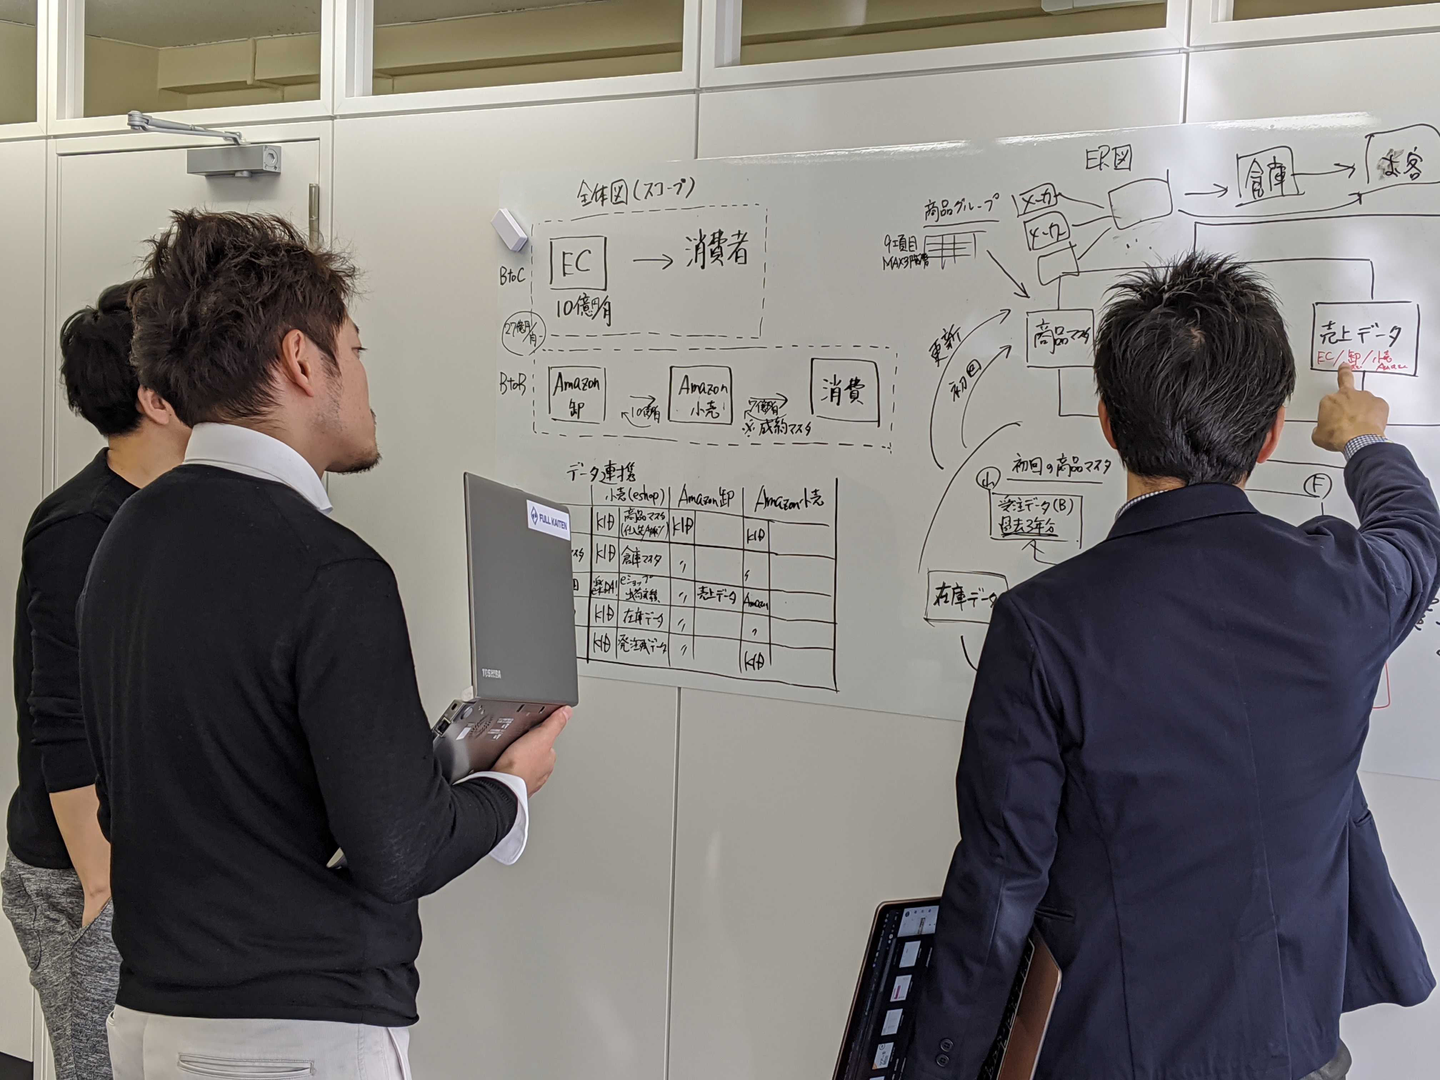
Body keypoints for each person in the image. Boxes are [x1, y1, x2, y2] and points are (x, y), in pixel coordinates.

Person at [905, 252, 1439, 1080]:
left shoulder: (1044, 625)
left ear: (1108, 422)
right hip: (1301, 1055)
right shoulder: (1344, 588)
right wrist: (1364, 438)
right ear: (1271, 434)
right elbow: (1415, 535)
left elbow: (1000, 889)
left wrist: (939, 1067)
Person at [78, 211, 571, 1080]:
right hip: (293, 1037)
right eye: (356, 348)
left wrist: (410, 773)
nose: (366, 378)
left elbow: (143, 805)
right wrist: (509, 786)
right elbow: (401, 853)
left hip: (151, 1017)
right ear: (303, 361)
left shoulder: (122, 540)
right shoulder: (331, 569)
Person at [2, 283, 190, 1080]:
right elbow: (60, 715)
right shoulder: (80, 525)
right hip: (81, 863)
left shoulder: (177, 508)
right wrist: (101, 881)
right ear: (156, 399)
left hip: (151, 853)